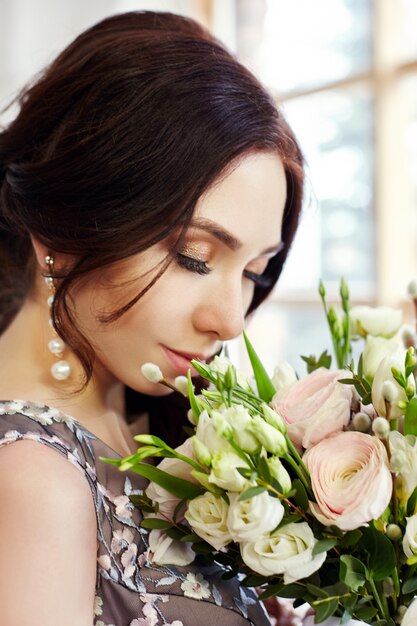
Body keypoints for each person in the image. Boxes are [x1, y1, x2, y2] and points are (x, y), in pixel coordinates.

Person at [0, 11, 304, 626]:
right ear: (60, 228)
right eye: (194, 257)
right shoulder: (33, 482)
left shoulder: (146, 428)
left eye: (252, 273)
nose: (231, 320)